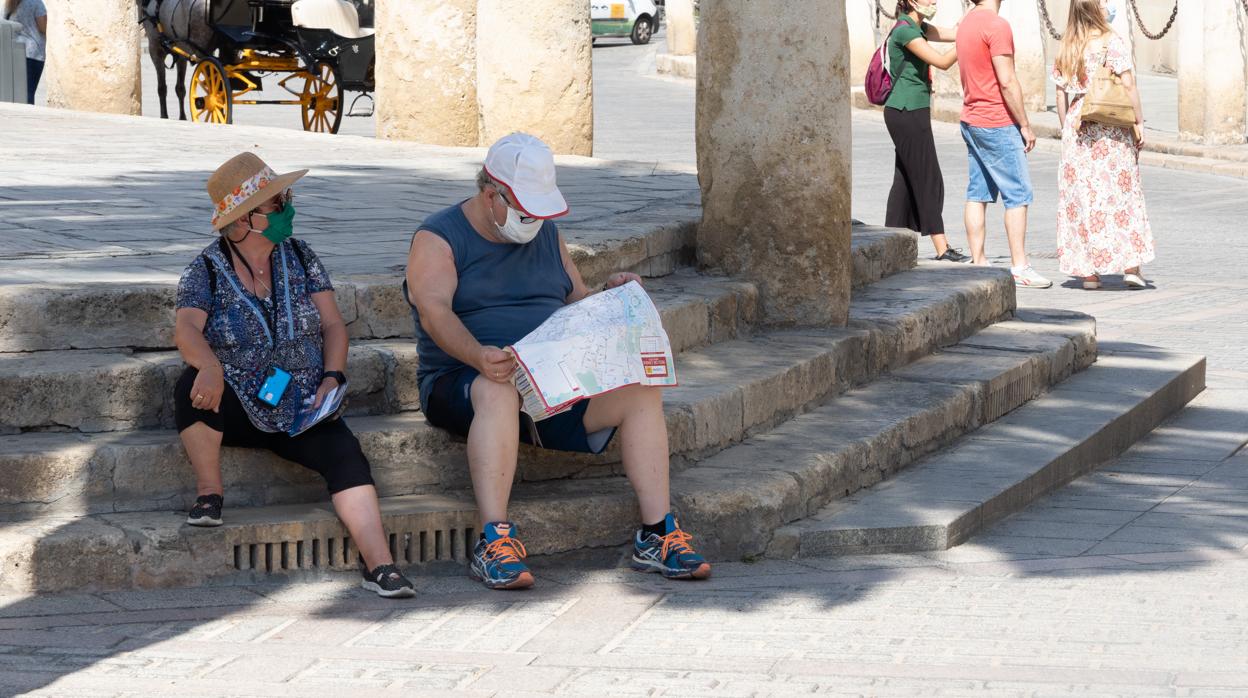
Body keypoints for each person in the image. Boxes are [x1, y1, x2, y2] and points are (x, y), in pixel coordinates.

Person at [404, 133, 711, 591]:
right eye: (526, 211)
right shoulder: (439, 237)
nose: (535, 222)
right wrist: (478, 356)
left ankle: (656, 533)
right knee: (497, 389)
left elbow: (576, 302)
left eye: (541, 213)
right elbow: (434, 312)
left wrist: (612, 296)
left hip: (549, 381)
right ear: (492, 195)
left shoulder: (546, 233)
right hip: (464, 379)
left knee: (642, 390)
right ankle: (493, 540)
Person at [175, 152, 415, 599]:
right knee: (189, 387)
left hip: (300, 401)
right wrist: (209, 366)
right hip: (239, 400)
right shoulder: (205, 268)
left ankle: (380, 565)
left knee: (347, 454)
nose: (287, 206)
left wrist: (332, 376)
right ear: (246, 219)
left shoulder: (302, 256)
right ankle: (210, 494)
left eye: (285, 196)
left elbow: (332, 325)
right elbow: (187, 327)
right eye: (276, 202)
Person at [1053, 0, 1153, 290]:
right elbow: (1128, 84)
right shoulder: (1113, 42)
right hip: (1111, 124)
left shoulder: (1067, 46)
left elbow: (1060, 94)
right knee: (1122, 195)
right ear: (1095, 8)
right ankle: (1131, 267)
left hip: (1078, 124)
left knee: (1082, 198)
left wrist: (1066, 127)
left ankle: (1089, 274)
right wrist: (1139, 120)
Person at [955, 0, 1051, 288]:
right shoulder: (996, 26)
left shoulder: (967, 22)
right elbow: (1007, 80)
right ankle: (1020, 265)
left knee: (977, 192)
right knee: (1018, 194)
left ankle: (978, 259)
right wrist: (1025, 124)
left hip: (971, 116)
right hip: (997, 119)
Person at [883, 0, 967, 262]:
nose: (934, 1)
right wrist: (969, 39)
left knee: (905, 180)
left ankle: (891, 242)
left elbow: (955, 33)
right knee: (928, 178)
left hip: (910, 110)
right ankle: (942, 247)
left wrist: (974, 19)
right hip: (906, 111)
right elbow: (942, 62)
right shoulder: (905, 31)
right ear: (911, 1)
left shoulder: (919, 26)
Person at [2, 0, 46, 104]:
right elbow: (43, 28)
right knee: (28, 92)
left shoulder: (9, 3)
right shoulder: (36, 3)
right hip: (32, 53)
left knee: (15, 93)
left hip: (13, 52)